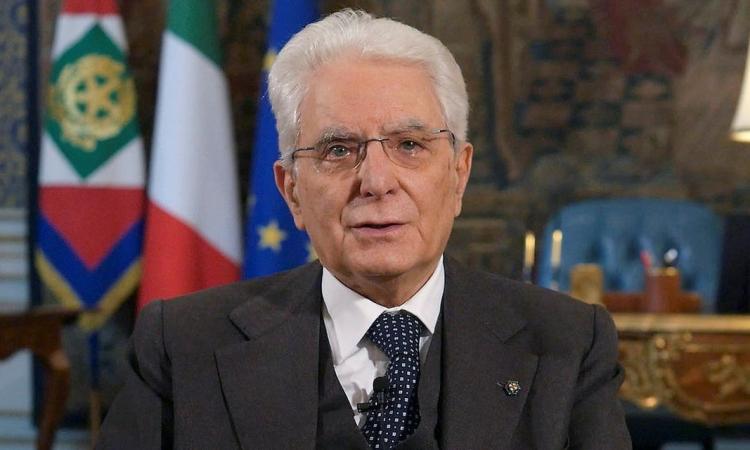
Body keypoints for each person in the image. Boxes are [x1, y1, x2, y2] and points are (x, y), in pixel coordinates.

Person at [97, 9, 631, 449]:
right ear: (292, 190)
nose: (376, 182)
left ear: (459, 174)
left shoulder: (567, 345)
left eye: (410, 145)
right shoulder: (183, 346)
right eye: (338, 150)